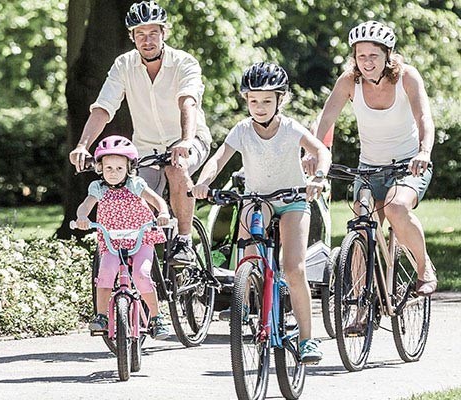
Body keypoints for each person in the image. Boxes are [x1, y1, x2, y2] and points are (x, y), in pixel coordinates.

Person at [191, 62, 331, 364]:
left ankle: (307, 339)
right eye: (253, 100)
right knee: (248, 257)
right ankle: (246, 296)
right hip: (258, 200)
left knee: (293, 268)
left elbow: (322, 151)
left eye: (267, 100)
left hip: (293, 199)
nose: (260, 107)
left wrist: (318, 177)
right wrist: (202, 183)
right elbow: (218, 159)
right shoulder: (242, 130)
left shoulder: (290, 128)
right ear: (245, 100)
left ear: (281, 99)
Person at [69, 1, 212, 266]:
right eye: (140, 34)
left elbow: (188, 102)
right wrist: (82, 145)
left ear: (164, 33)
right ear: (132, 37)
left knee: (176, 168)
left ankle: (183, 241)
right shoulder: (124, 65)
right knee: (129, 197)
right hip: (145, 148)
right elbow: (103, 108)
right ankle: (138, 275)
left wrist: (185, 140)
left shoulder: (184, 63)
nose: (148, 41)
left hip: (190, 140)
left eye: (153, 33)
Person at [305, 20, 437, 296]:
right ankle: (360, 305)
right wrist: (312, 151)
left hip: (409, 163)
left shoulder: (407, 77)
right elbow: (326, 118)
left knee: (396, 208)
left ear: (388, 54)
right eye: (360, 55)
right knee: (362, 226)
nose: (366, 62)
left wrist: (424, 151)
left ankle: (424, 269)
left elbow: (423, 116)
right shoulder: (349, 81)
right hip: (369, 168)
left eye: (373, 55)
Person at [75, 135, 171, 340]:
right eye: (108, 168)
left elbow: (157, 201)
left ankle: (156, 317)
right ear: (100, 168)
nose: (113, 173)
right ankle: (101, 316)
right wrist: (82, 216)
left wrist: (163, 213)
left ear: (129, 168)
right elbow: (86, 205)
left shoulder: (135, 184)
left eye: (119, 168)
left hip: (141, 238)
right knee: (105, 274)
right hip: (111, 241)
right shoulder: (98, 188)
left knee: (142, 275)